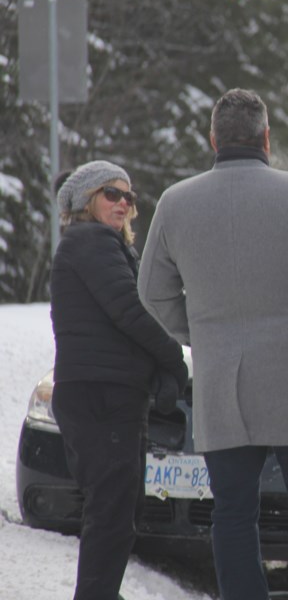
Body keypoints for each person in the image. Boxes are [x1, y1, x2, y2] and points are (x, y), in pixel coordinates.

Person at [137, 88, 288, 599]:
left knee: (233, 516)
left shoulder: (176, 204)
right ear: (266, 137)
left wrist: (198, 335)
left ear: (213, 139)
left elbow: (152, 292)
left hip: (223, 392)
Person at [50, 160, 188, 600]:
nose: (124, 204)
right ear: (87, 200)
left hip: (105, 396)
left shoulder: (97, 245)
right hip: (102, 398)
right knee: (111, 516)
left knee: (115, 513)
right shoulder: (92, 242)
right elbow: (132, 311)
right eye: (113, 194)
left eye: (130, 197)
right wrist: (174, 361)